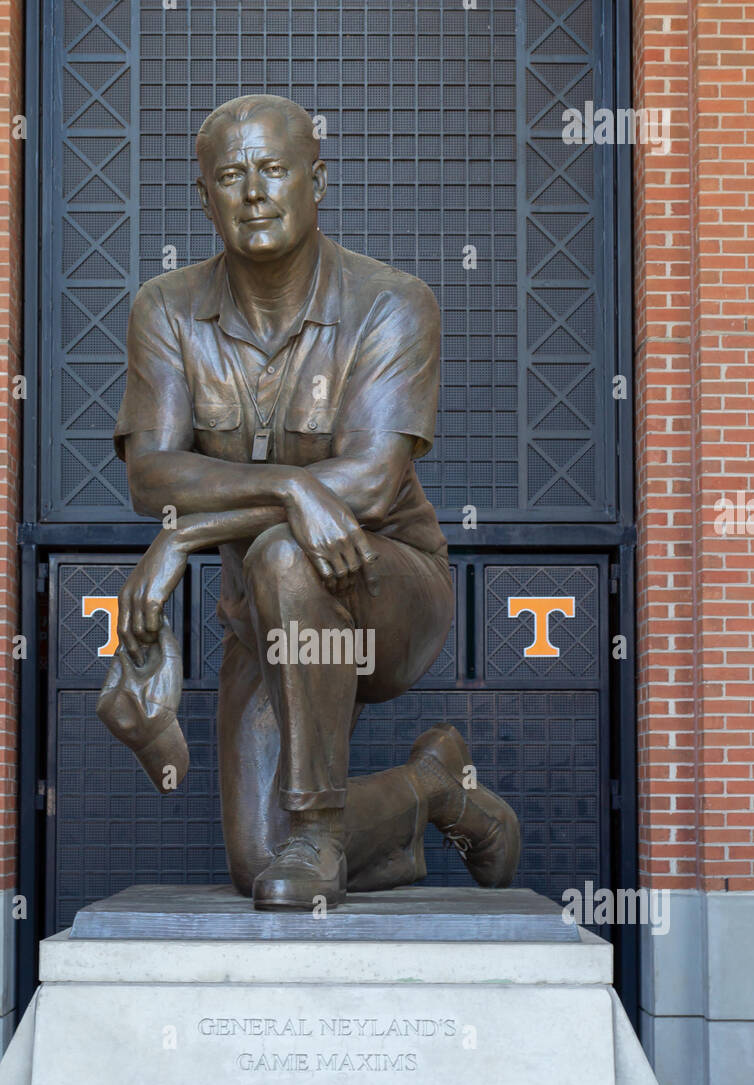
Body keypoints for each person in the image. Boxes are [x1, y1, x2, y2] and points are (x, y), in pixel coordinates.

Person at [113, 94, 519, 911]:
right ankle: (435, 791)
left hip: (389, 589)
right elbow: (151, 475)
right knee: (261, 864)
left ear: (316, 180)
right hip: (262, 619)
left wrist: (185, 540)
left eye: (273, 170)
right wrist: (292, 484)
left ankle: (322, 827)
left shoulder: (391, 303)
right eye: (230, 175)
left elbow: (368, 485)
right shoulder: (165, 309)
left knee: (287, 553)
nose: (253, 192)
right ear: (205, 196)